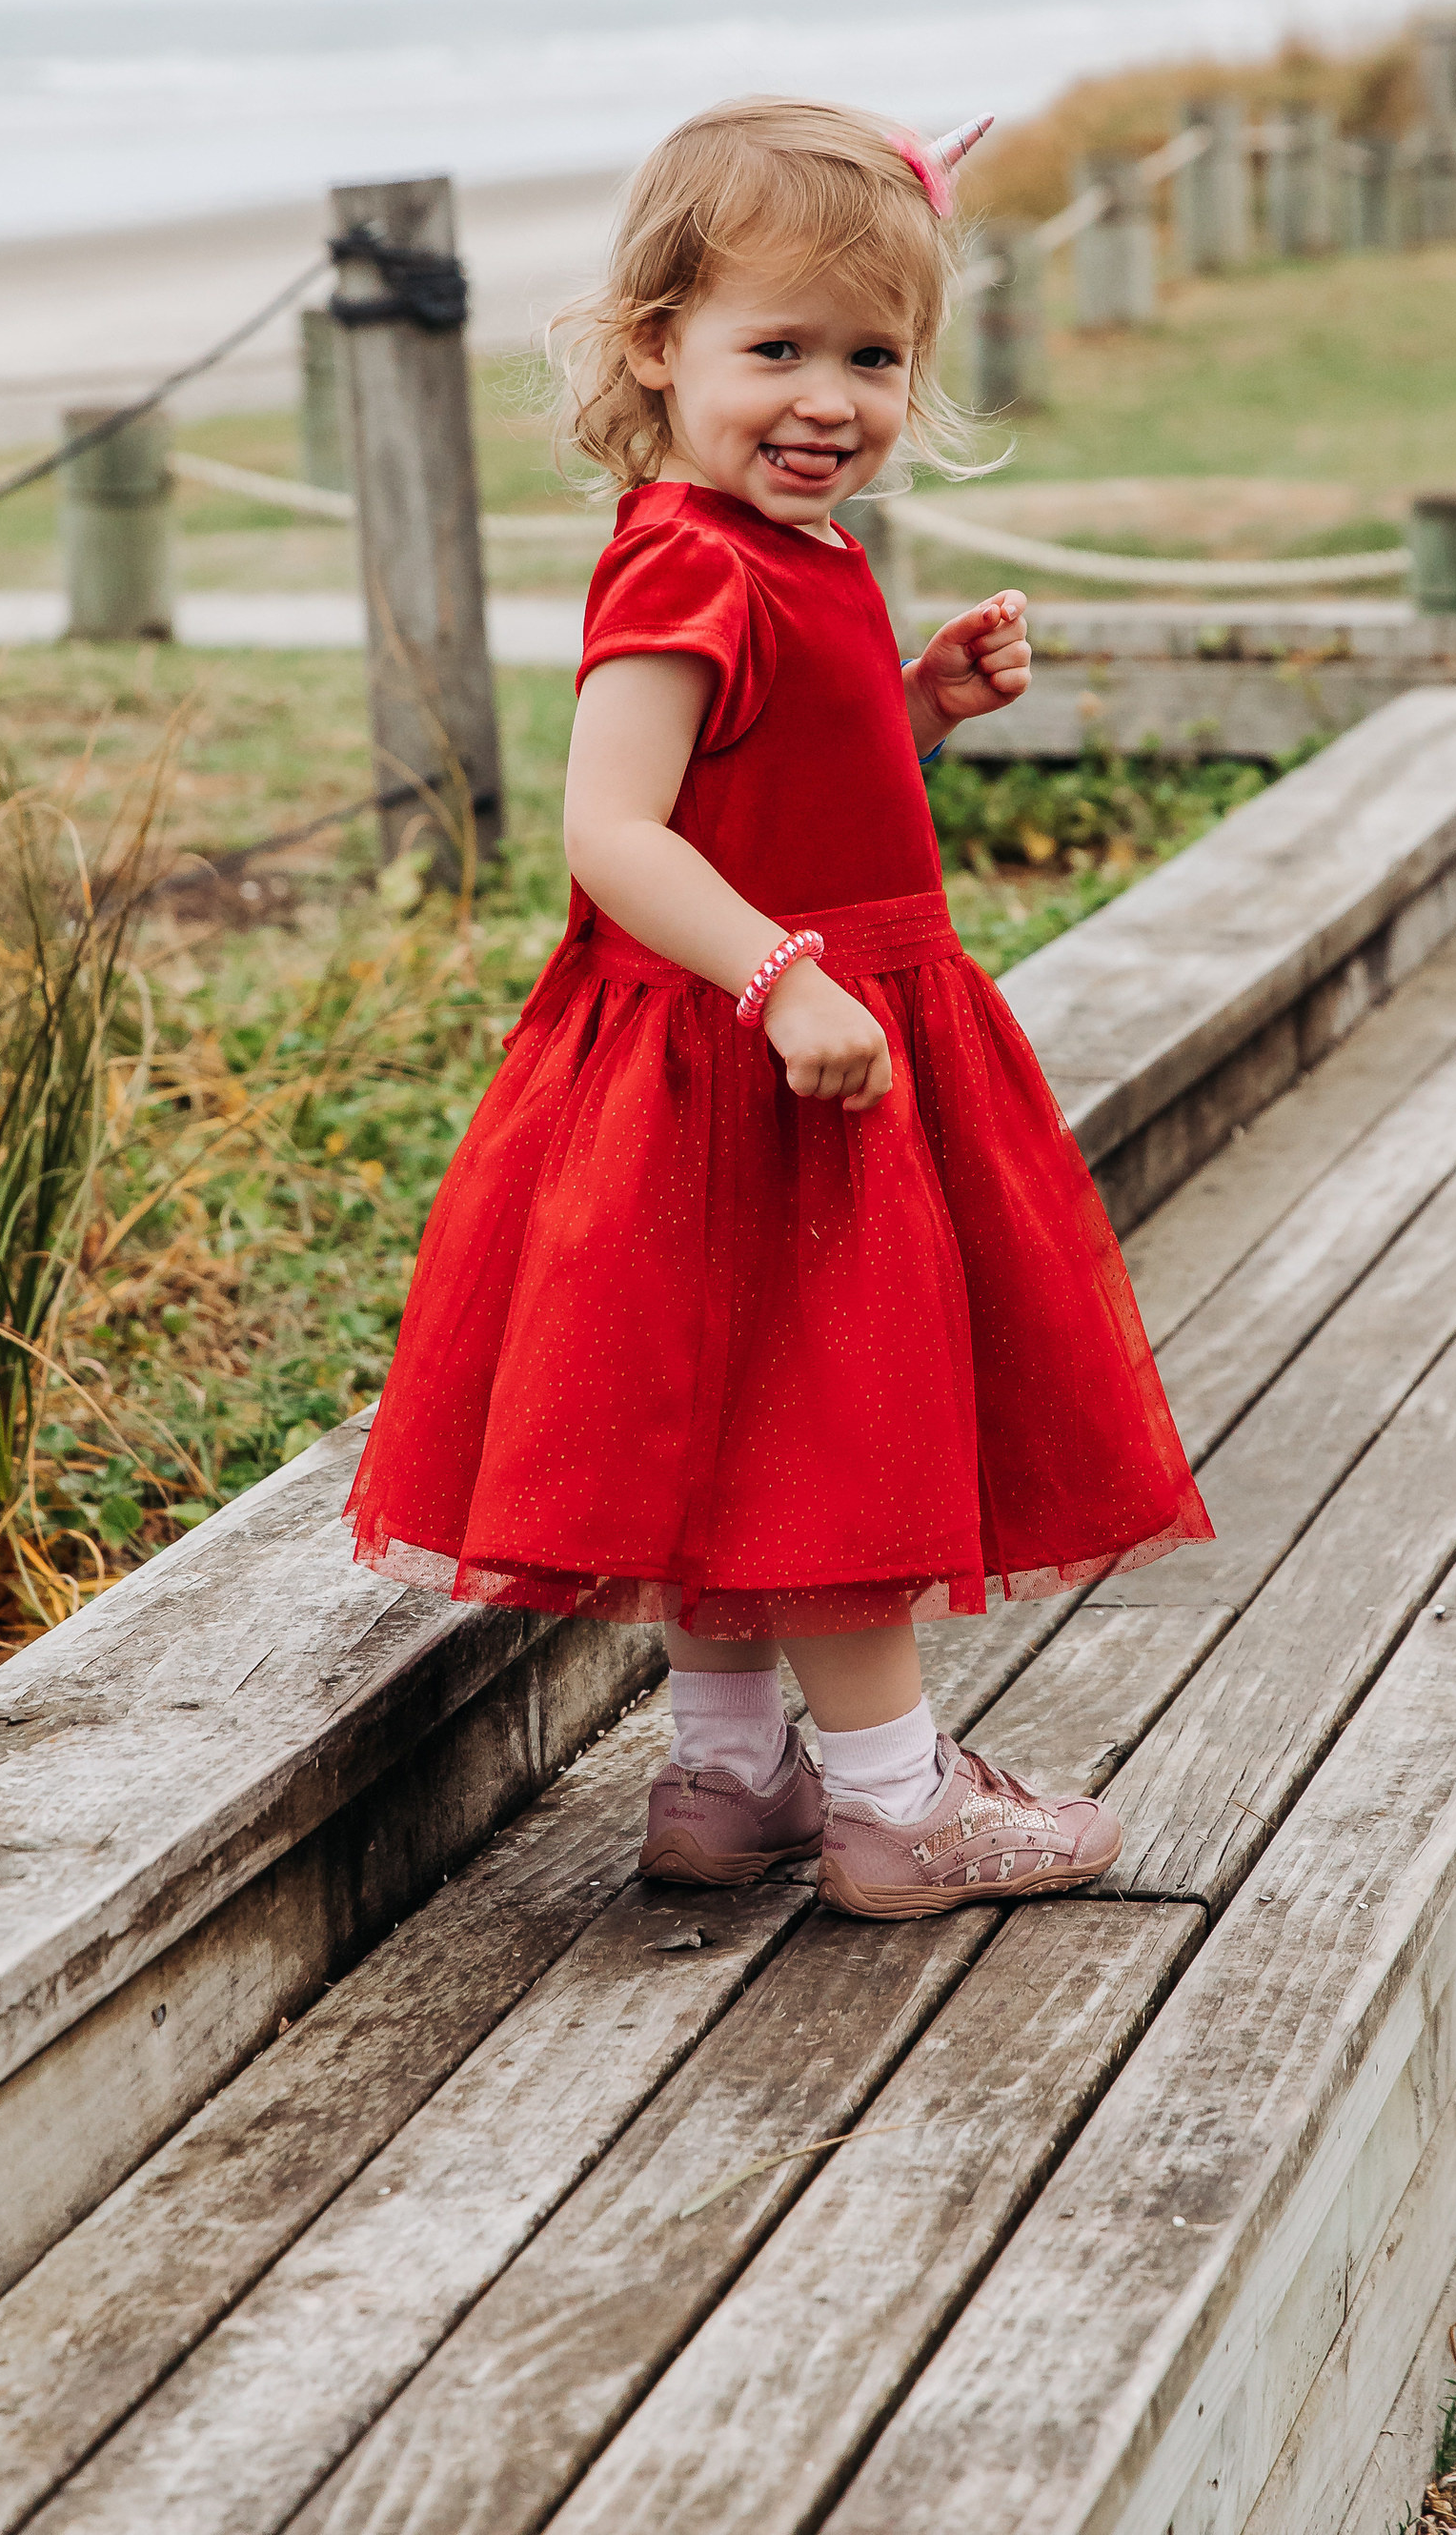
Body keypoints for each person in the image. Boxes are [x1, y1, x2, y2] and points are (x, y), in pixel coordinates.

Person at [345, 94, 1208, 1916]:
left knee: (752, 1421)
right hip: (754, 1047)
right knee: (835, 1429)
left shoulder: (795, 554)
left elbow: (773, 775)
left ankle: (730, 1777)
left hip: (797, 1032)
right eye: (777, 349)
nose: (831, 396)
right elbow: (611, 829)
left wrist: (915, 708)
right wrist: (782, 975)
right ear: (658, 349)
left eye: (874, 356)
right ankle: (899, 1806)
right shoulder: (683, 560)